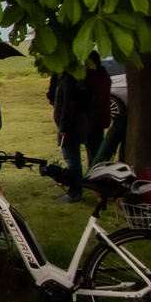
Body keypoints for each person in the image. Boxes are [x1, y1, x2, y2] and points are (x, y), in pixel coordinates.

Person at [46, 66, 93, 202]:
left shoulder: (68, 81)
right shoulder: (67, 80)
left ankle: (75, 191)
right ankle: (75, 189)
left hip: (70, 128)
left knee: (71, 159)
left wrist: (64, 126)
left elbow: (68, 105)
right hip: (73, 126)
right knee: (72, 158)